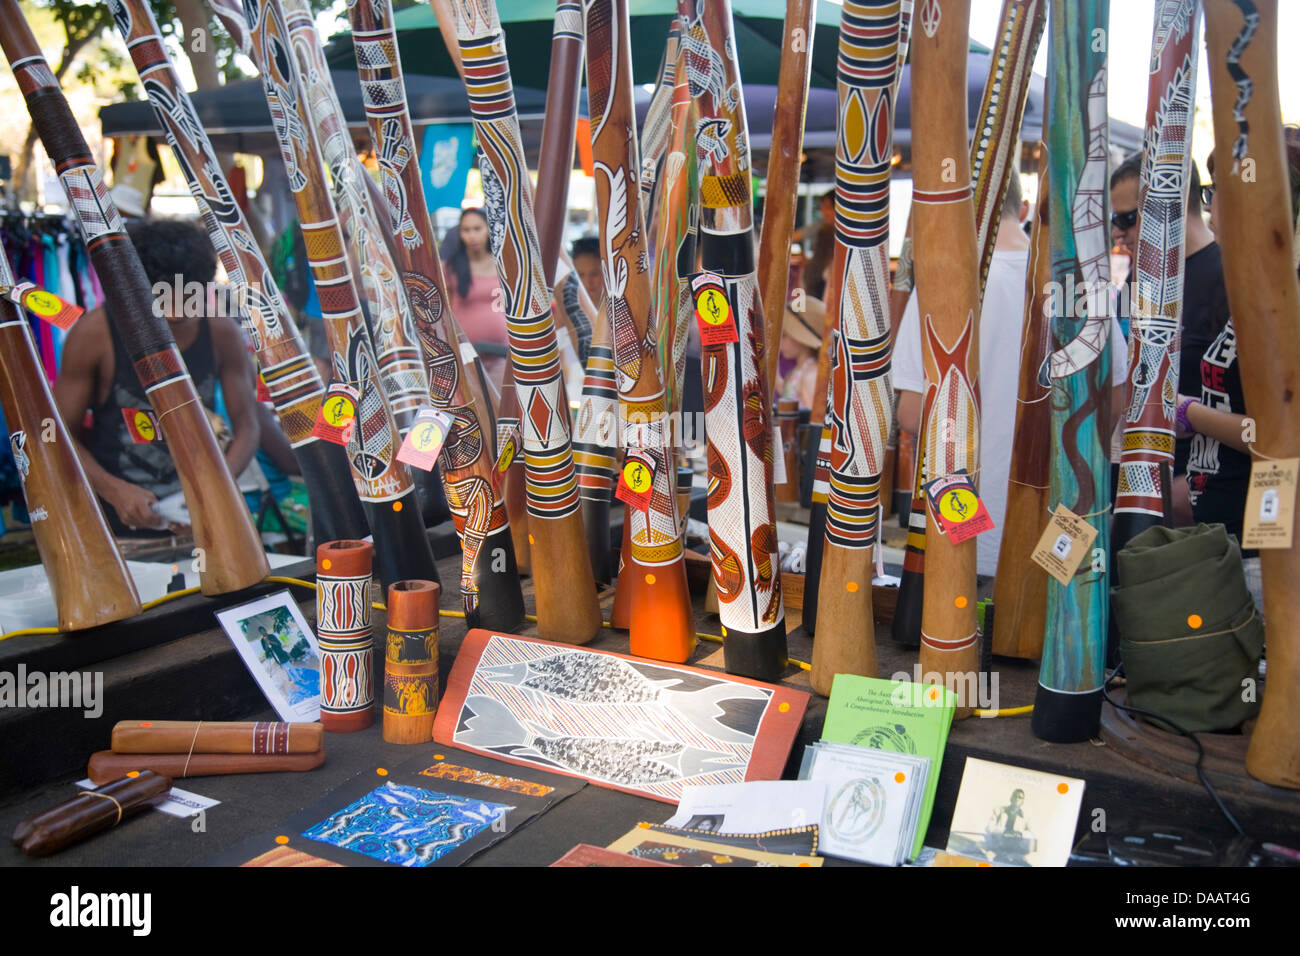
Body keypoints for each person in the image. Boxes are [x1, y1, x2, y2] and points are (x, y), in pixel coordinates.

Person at [892, 175, 1128, 583]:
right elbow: (1117, 402)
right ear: (1022, 209)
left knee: (962, 629)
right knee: (1053, 636)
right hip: (1066, 519)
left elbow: (913, 415)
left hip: (965, 525)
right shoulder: (1082, 280)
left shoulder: (941, 279)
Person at [53, 218, 260, 536]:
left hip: (202, 519)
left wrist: (215, 491)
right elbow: (57, 436)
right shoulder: (94, 335)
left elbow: (247, 426)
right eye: (164, 302)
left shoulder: (221, 333)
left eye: (188, 299)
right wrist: (113, 490)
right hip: (118, 522)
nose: (177, 313)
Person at [1179, 136, 1300, 613]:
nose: (1210, 209)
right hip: (1230, 536)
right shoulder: (1252, 295)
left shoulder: (1282, 307)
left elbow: (1277, 435)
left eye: (1218, 193)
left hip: (1263, 546)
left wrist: (1189, 413)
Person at [444, 207, 510, 391]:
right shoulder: (450, 268)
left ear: (488, 229)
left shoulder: (503, 264)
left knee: (500, 409)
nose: (471, 235)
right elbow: (445, 310)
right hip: (465, 354)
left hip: (501, 355)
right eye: (466, 230)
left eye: (477, 229)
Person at [775, 296, 826, 410]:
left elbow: (812, 415)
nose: (780, 342)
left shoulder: (811, 373)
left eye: (784, 336)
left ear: (801, 340)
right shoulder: (798, 371)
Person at [795, 190, 836, 300]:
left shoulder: (831, 232)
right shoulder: (822, 226)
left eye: (827, 207)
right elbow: (795, 236)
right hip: (819, 287)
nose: (823, 211)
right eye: (822, 207)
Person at [570, 235, 604, 308]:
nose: (587, 282)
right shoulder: (557, 311)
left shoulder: (619, 313)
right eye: (580, 275)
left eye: (594, 274)